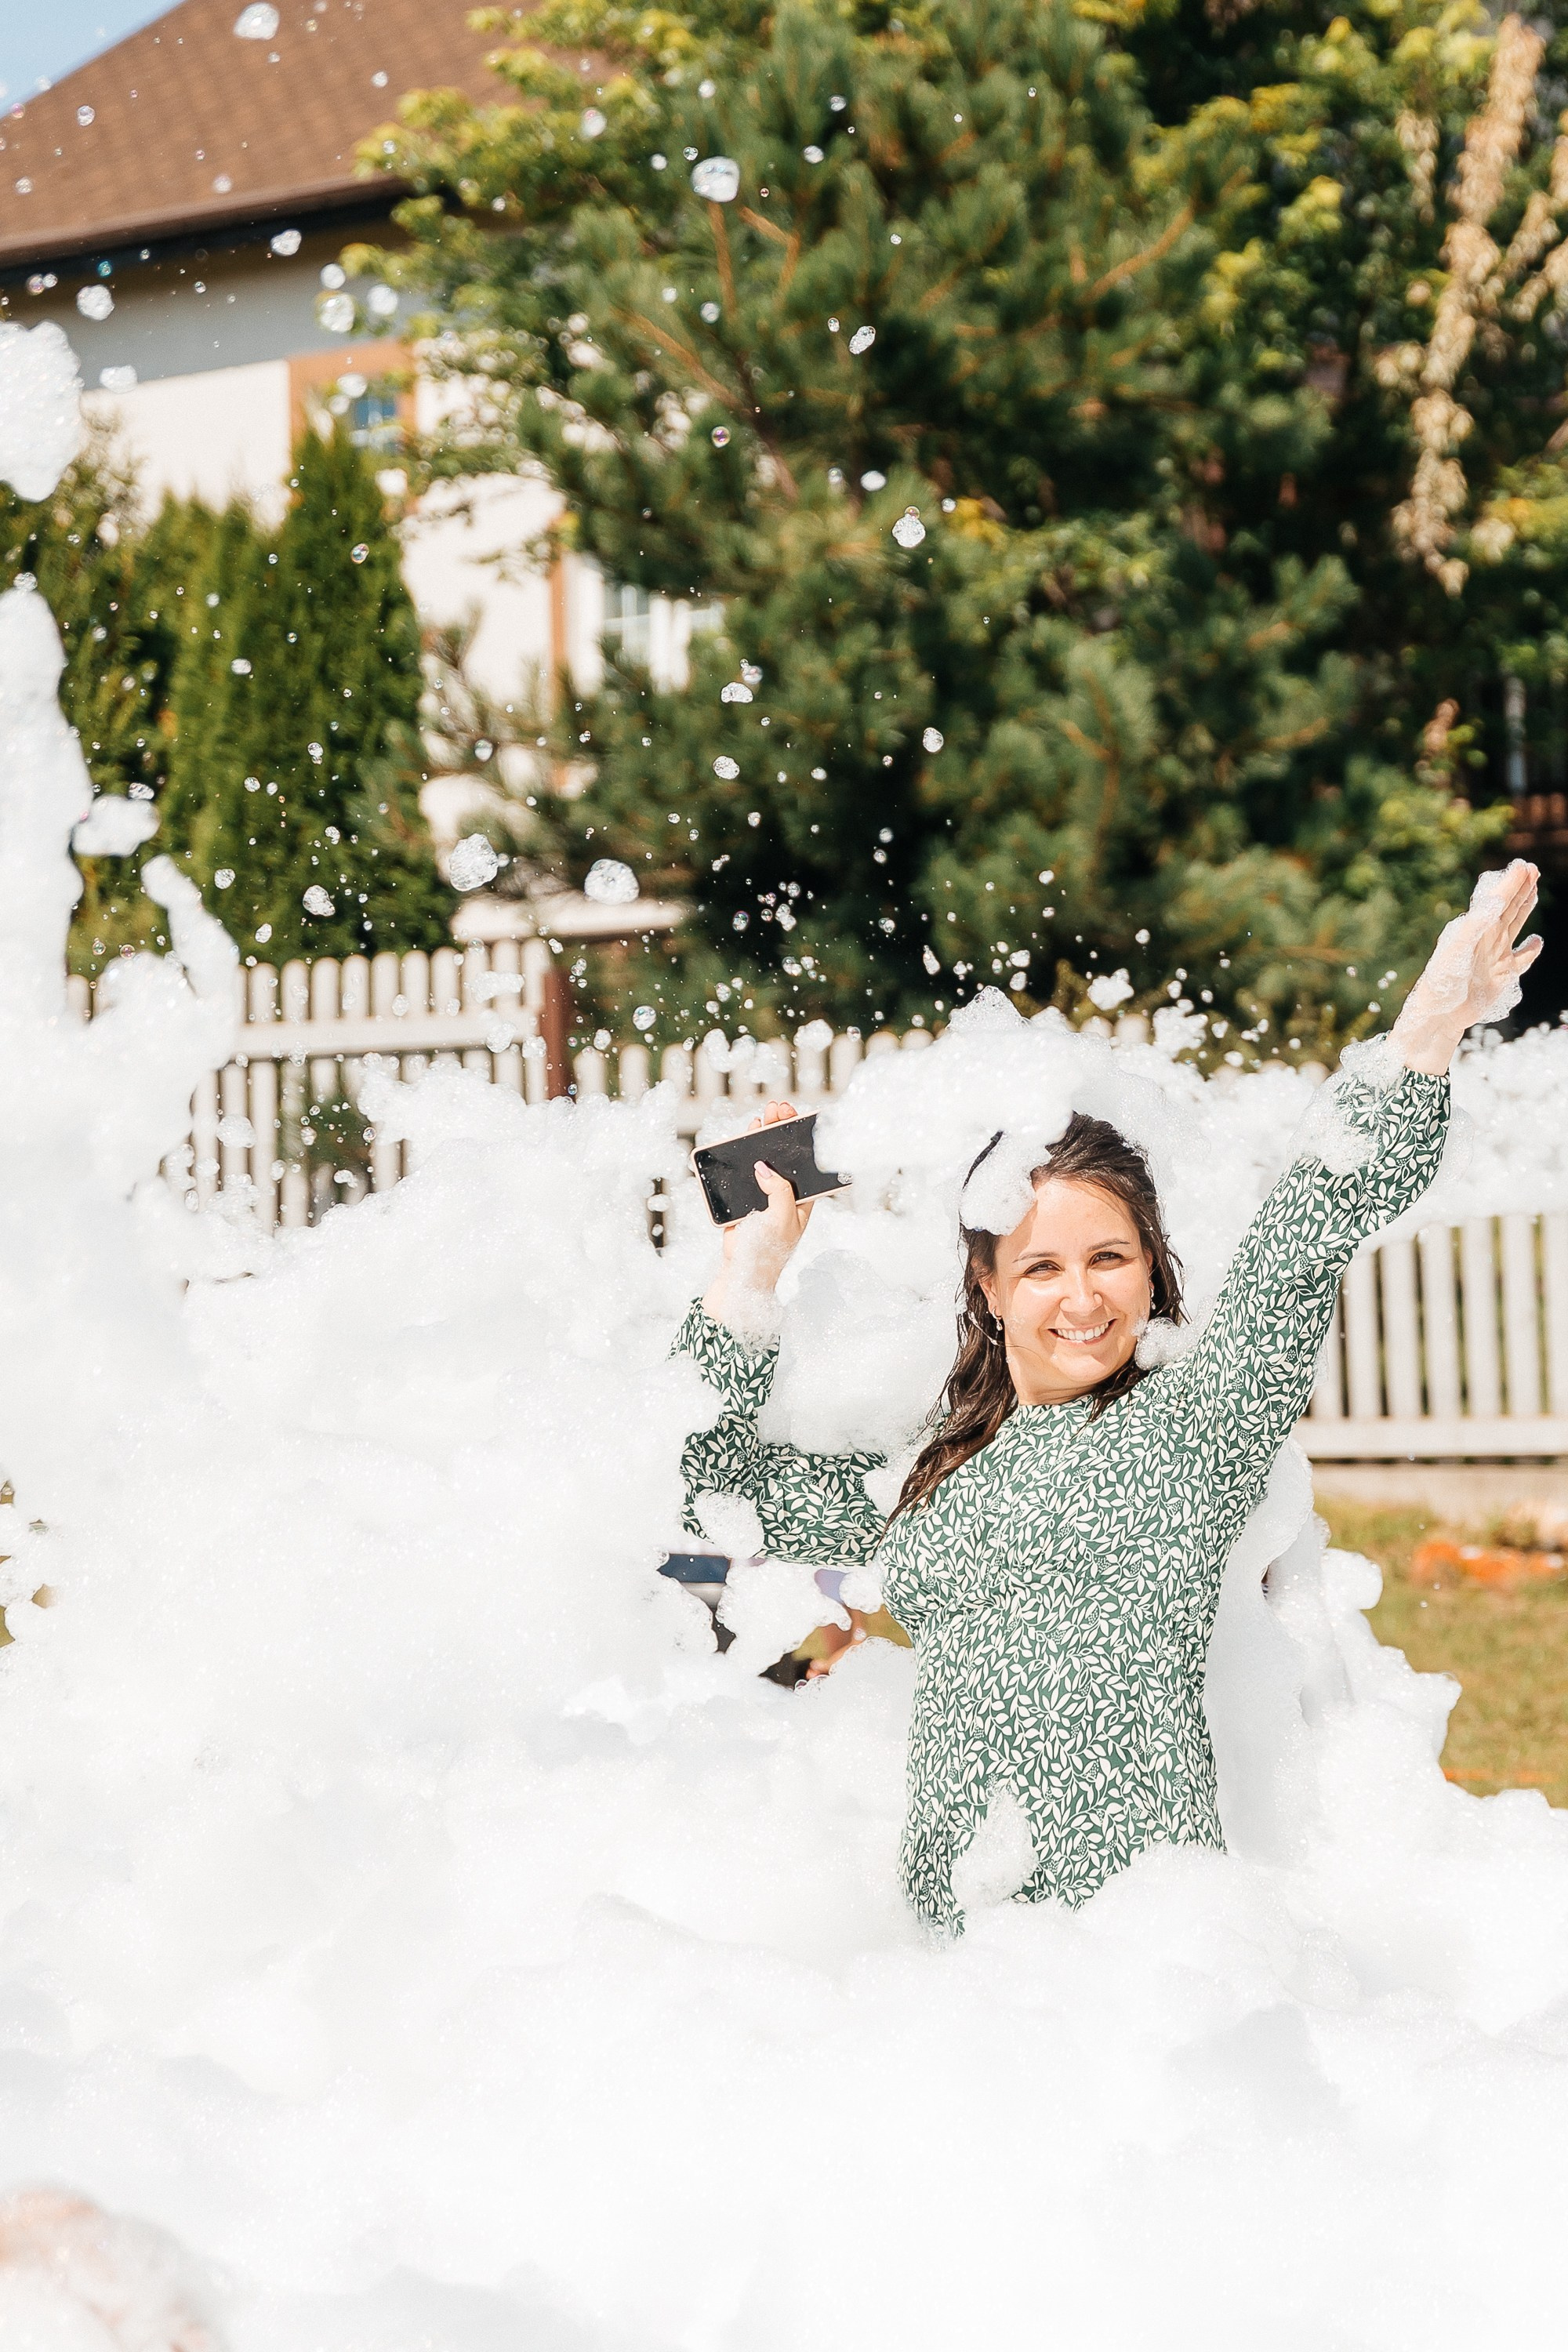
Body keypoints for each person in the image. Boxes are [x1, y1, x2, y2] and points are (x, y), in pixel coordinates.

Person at [673, 866, 1542, 1933]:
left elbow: (1304, 1232)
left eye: (1110, 1258)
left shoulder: (1198, 1426)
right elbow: (708, 1493)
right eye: (1041, 1268)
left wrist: (1425, 1035)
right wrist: (747, 1275)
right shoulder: (928, 1472)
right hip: (970, 1962)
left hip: (1151, 1960)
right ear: (986, 1289)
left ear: (1150, 1267)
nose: (1083, 1297)